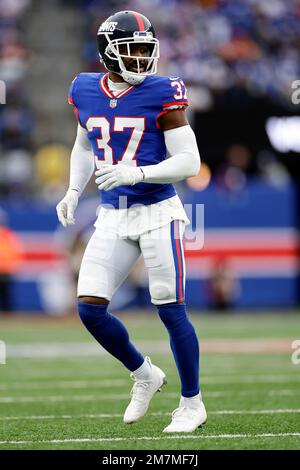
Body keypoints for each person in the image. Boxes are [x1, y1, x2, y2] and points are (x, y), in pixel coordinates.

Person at [56, 10, 207, 433]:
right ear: (107, 53)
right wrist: (72, 190)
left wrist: (137, 172)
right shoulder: (84, 88)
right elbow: (84, 145)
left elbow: (190, 162)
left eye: (146, 49)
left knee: (171, 310)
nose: (142, 58)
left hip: (158, 212)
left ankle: (192, 403)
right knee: (89, 308)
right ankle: (143, 372)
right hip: (112, 214)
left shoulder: (163, 91)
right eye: (132, 50)